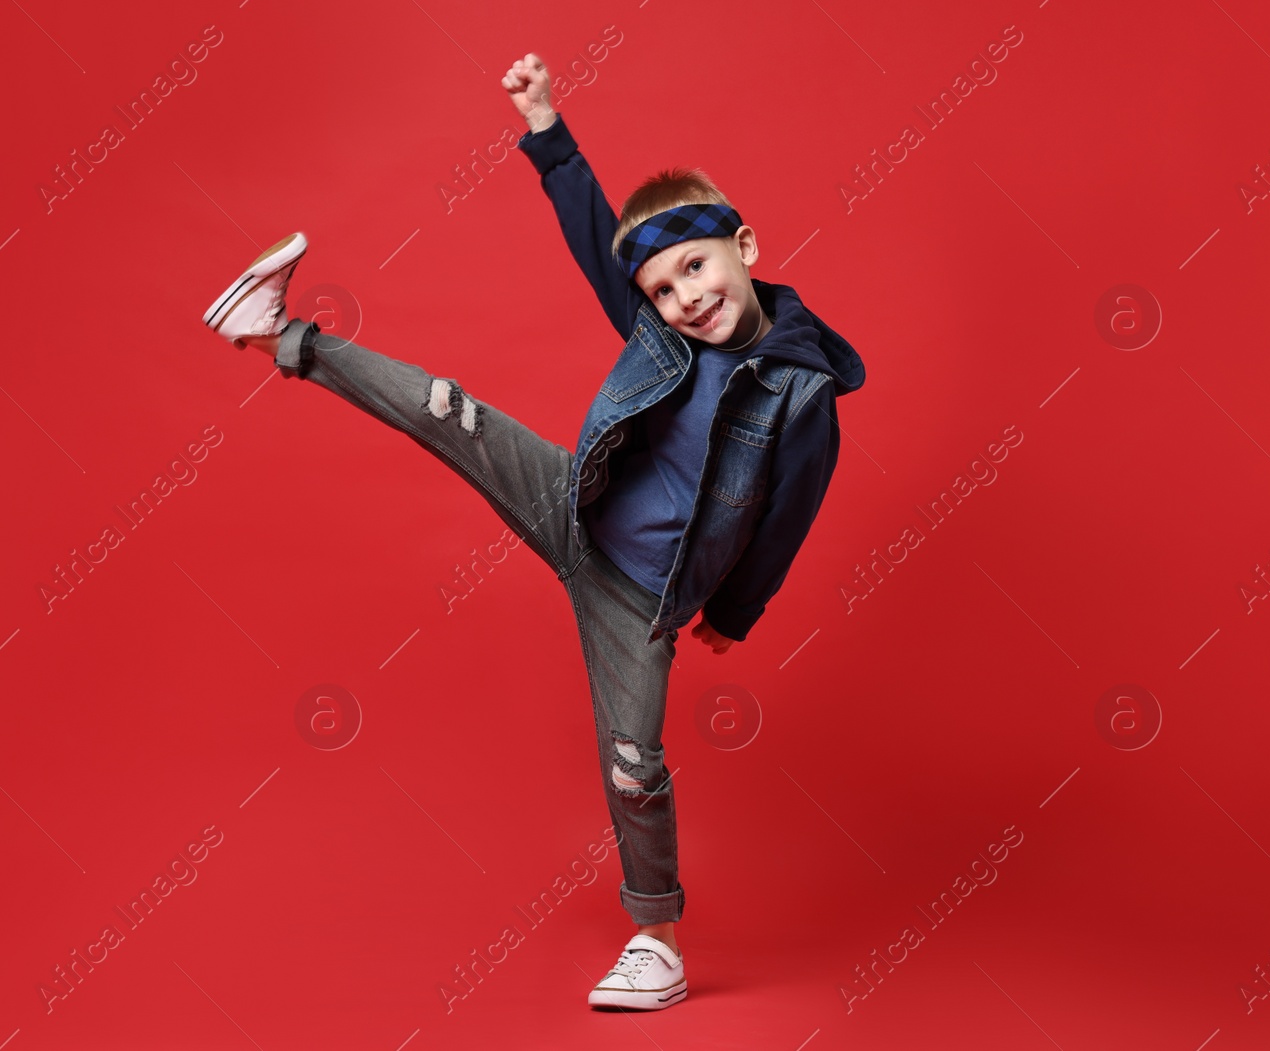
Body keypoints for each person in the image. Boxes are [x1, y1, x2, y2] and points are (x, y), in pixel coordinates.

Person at [198, 52, 865, 1011]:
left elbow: (790, 512)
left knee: (634, 764)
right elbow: (598, 241)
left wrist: (737, 611)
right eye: (666, 289)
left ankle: (658, 942)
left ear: (745, 248)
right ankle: (277, 336)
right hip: (572, 506)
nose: (686, 297)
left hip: (638, 599)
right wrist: (547, 130)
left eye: (696, 268)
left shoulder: (803, 395)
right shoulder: (663, 332)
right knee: (447, 408)